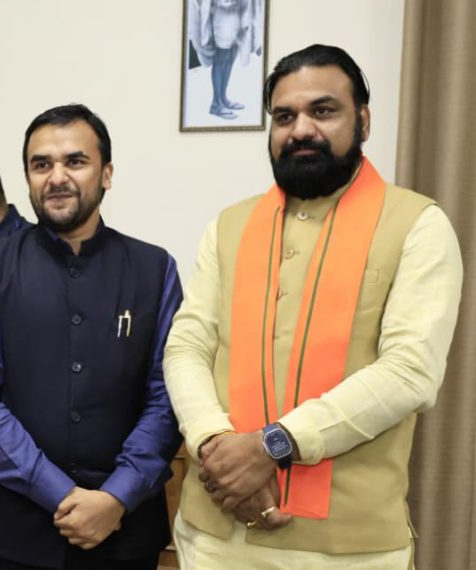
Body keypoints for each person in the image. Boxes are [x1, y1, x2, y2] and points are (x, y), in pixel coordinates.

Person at [164, 44, 463, 568]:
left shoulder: (417, 224)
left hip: (348, 548)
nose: (301, 129)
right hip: (213, 535)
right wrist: (216, 444)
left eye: (323, 110)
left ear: (363, 120)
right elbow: (188, 344)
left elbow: (409, 371)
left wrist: (271, 446)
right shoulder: (229, 225)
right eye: (284, 117)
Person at [0, 104, 183, 569]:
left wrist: (116, 496)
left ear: (106, 173)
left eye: (75, 161)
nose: (57, 177)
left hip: (123, 532)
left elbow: (168, 396)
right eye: (41, 165)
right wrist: (60, 493)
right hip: (7, 535)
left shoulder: (154, 269)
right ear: (28, 178)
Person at [187, 0, 264, 119]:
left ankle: (223, 98)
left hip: (237, 11)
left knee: (230, 56)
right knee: (221, 57)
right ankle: (216, 103)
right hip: (221, 12)